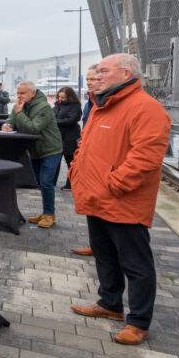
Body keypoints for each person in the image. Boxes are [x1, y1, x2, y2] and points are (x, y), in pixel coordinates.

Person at [69, 54, 170, 346]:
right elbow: (85, 147)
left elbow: (147, 156)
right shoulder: (103, 106)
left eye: (103, 71)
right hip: (96, 198)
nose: (96, 75)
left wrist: (115, 185)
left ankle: (138, 323)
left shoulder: (145, 108)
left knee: (136, 264)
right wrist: (77, 172)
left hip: (122, 200)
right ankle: (110, 303)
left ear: (125, 73)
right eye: (96, 71)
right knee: (104, 256)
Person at [3, 81, 64, 228]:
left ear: (33, 93)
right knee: (40, 183)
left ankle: (49, 215)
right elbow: (11, 121)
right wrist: (6, 125)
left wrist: (19, 113)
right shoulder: (19, 106)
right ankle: (46, 213)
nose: (19, 96)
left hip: (50, 149)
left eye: (22, 93)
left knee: (46, 183)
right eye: (17, 93)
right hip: (34, 150)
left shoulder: (44, 107)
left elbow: (33, 128)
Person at [71, 65, 100, 257]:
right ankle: (96, 246)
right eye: (87, 80)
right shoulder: (91, 103)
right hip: (88, 164)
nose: (89, 82)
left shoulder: (102, 104)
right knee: (93, 211)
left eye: (93, 79)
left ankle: (102, 248)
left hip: (102, 168)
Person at [53, 86, 82, 190]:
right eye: (59, 97)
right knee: (55, 161)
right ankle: (52, 182)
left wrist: (56, 121)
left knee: (70, 161)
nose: (60, 99)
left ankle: (70, 184)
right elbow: (52, 116)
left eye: (63, 97)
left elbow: (72, 120)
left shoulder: (76, 106)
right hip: (58, 136)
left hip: (70, 137)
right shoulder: (57, 105)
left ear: (69, 97)